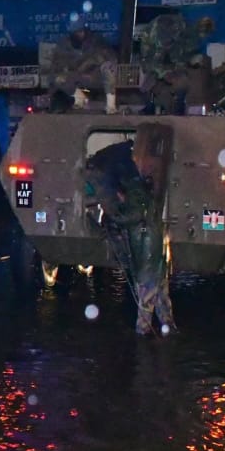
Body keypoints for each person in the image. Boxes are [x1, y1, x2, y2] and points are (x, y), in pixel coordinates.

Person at [81, 127, 175, 336]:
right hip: (153, 250)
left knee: (146, 292)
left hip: (146, 251)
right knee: (159, 290)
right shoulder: (142, 192)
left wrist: (112, 214)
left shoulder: (135, 194)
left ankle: (144, 331)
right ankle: (168, 325)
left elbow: (130, 216)